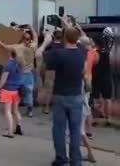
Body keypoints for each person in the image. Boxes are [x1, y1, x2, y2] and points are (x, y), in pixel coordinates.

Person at [45, 27, 85, 166]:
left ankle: (61, 159)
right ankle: (76, 161)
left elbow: (46, 61)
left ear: (64, 38)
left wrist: (47, 42)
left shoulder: (59, 54)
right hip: (76, 96)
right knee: (75, 131)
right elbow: (82, 39)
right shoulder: (82, 52)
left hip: (60, 95)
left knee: (59, 129)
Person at [0, 26, 38, 117]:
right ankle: (29, 110)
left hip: (19, 73)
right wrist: (31, 27)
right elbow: (35, 36)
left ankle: (14, 109)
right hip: (29, 73)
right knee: (29, 92)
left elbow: (2, 45)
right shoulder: (33, 46)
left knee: (14, 91)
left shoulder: (17, 47)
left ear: (22, 38)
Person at [92, 27, 115, 127]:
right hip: (107, 76)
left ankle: (96, 118)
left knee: (96, 97)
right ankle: (108, 118)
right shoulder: (110, 48)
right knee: (107, 98)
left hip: (96, 76)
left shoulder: (96, 50)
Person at [0, 49, 23, 138]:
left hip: (8, 89)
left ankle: (10, 132)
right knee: (15, 110)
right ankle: (18, 127)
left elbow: (4, 78)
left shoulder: (8, 65)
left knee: (7, 111)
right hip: (16, 89)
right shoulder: (19, 64)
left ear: (9, 54)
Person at [42, 31, 63, 114]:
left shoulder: (49, 47)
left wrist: (42, 70)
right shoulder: (63, 47)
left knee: (49, 89)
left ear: (53, 37)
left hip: (50, 69)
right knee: (60, 89)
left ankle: (47, 107)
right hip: (61, 70)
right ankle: (59, 107)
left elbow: (44, 58)